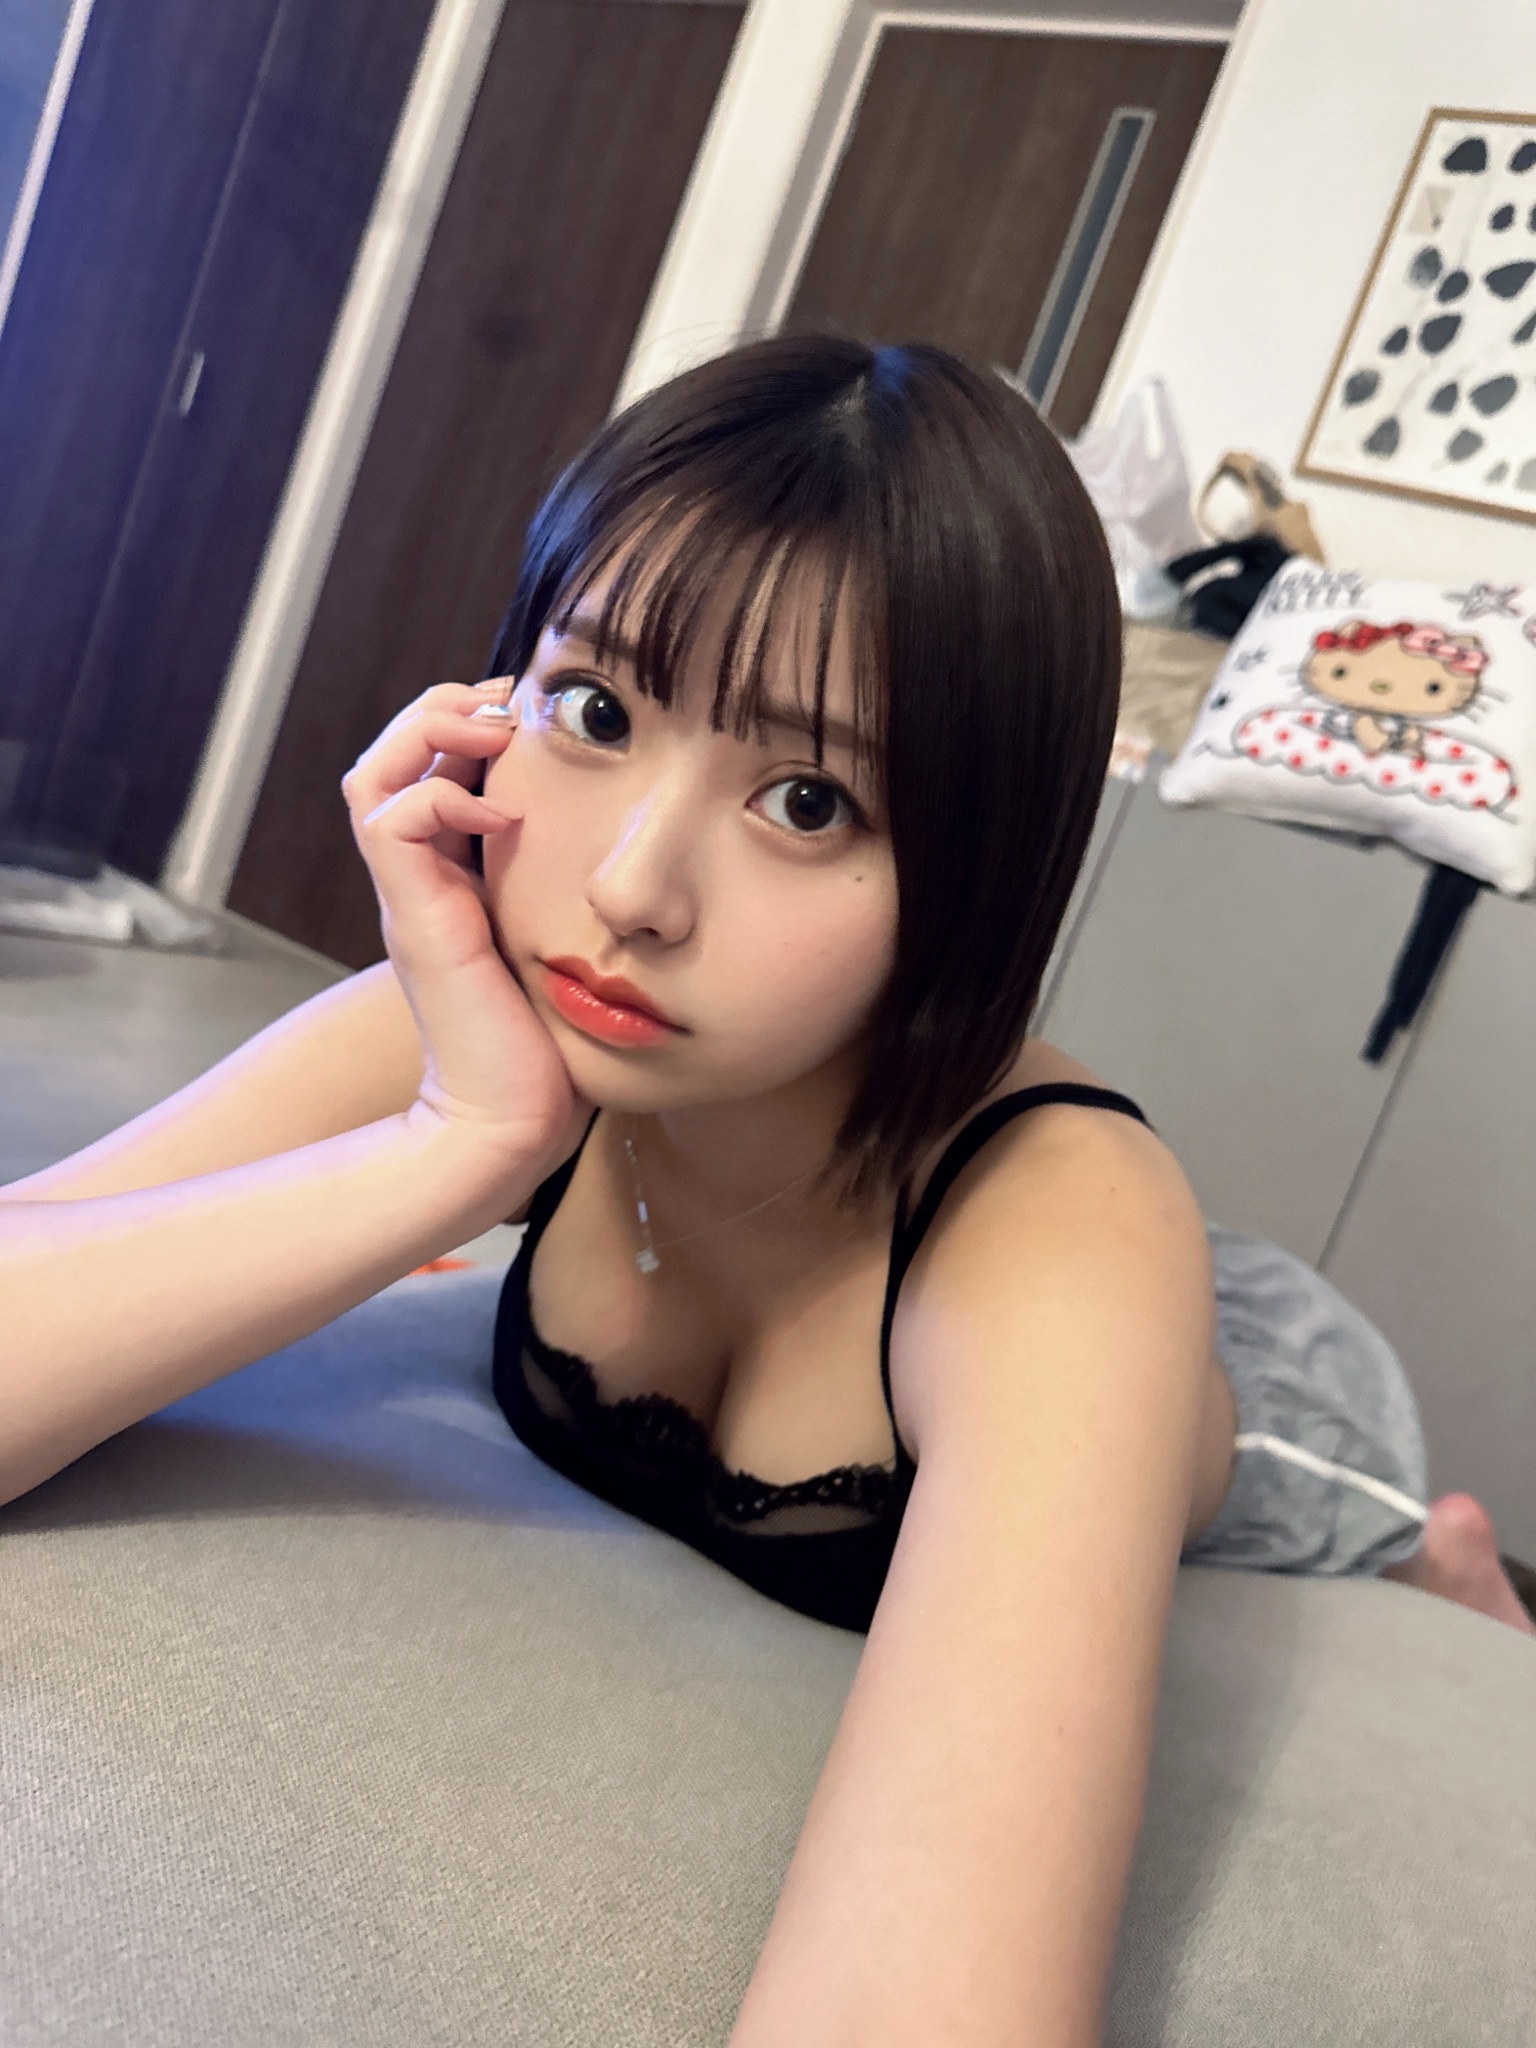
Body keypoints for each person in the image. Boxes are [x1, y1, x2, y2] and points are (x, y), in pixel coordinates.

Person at [2, 336, 1530, 2047]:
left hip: (1248, 1367)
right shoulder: (503, 1008)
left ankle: (1456, 1568)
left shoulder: (1062, 1237)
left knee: (1370, 1512)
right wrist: (452, 1139)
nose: (631, 889)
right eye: (594, 711)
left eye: (808, 801)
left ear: (979, 867)